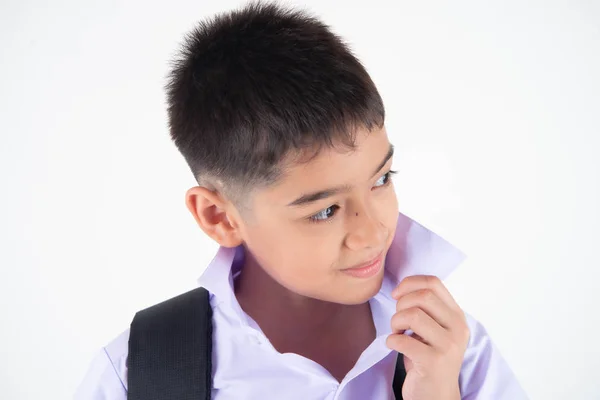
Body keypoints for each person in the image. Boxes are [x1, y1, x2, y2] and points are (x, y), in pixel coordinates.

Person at [75, 2, 528, 399]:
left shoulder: (451, 351)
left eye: (382, 178)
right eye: (325, 210)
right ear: (219, 216)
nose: (372, 233)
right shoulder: (142, 374)